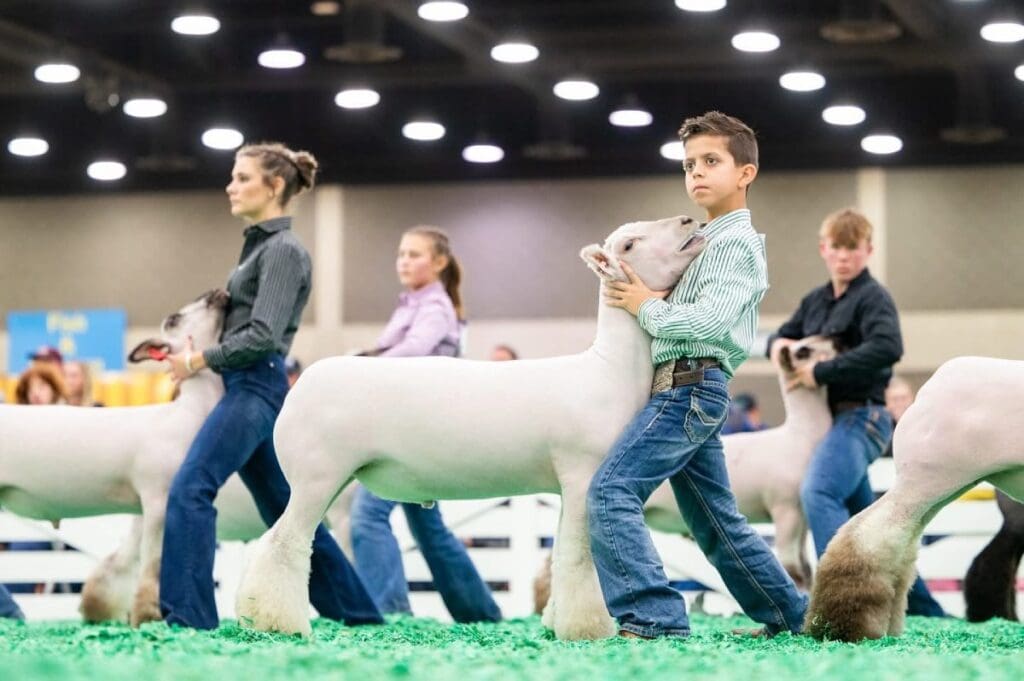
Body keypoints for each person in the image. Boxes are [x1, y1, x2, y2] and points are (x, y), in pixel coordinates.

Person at [588, 111, 806, 639]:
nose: (697, 174)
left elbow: (709, 321)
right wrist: (660, 299)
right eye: (689, 165)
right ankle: (789, 615)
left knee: (610, 492)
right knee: (715, 520)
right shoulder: (705, 242)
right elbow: (698, 307)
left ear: (746, 173)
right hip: (691, 388)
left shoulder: (733, 244)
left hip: (688, 387)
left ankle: (654, 619)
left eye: (711, 161)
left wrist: (645, 306)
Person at [159, 142, 383, 630]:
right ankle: (359, 615)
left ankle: (187, 618)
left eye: (242, 177)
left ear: (274, 185)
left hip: (255, 389)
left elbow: (261, 337)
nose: (230, 186)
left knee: (191, 488)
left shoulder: (282, 251)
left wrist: (196, 359)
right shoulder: (263, 248)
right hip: (252, 389)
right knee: (289, 512)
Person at [769, 208, 945, 618]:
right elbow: (781, 335)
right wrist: (778, 348)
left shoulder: (873, 297)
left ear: (868, 251)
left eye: (853, 249)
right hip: (831, 423)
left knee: (820, 491)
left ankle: (842, 602)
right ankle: (926, 610)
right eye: (837, 248)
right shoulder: (815, 301)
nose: (844, 257)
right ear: (823, 250)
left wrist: (821, 371)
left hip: (862, 415)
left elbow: (888, 347)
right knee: (868, 519)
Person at [349, 226, 501, 623]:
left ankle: (389, 611)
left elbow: (414, 350)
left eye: (415, 254)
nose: (404, 261)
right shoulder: (414, 304)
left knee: (368, 515)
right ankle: (481, 614)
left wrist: (361, 364)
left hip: (411, 429)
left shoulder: (434, 308)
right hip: (412, 425)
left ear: (439, 263)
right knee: (428, 527)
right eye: (401, 253)